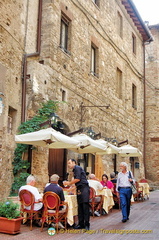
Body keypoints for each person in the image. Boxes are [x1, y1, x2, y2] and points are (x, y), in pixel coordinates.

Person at [64, 159, 90, 230]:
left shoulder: (77, 168)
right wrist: (71, 189)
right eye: (68, 163)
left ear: (73, 163)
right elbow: (78, 182)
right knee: (80, 207)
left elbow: (78, 179)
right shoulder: (75, 170)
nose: (68, 165)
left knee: (85, 206)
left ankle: (87, 224)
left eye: (69, 163)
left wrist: (68, 183)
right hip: (79, 188)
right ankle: (81, 224)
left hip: (84, 188)